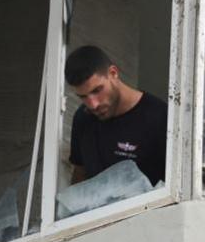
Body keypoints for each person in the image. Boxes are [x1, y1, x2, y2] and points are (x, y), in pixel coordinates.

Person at [65, 45, 168, 186]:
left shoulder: (160, 118)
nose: (93, 104)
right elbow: (80, 174)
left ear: (113, 73)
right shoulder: (83, 118)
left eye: (97, 90)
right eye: (83, 97)